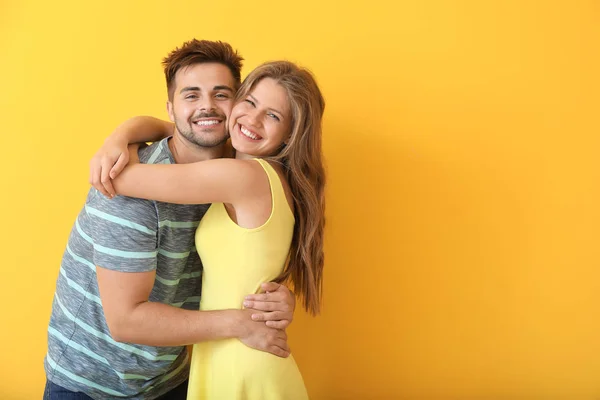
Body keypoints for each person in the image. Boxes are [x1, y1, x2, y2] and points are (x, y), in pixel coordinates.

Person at [44, 39, 296, 400]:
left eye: (221, 94)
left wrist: (277, 298)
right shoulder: (130, 191)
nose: (207, 106)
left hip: (173, 377)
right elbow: (126, 320)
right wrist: (241, 323)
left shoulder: (238, 169)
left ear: (236, 104)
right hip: (93, 383)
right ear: (171, 108)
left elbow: (246, 256)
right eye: (191, 96)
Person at [92, 60, 326, 399]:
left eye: (273, 116)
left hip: (239, 357)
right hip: (230, 350)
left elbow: (117, 176)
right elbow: (182, 127)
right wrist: (125, 132)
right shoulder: (266, 175)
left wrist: (117, 143)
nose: (253, 119)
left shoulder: (242, 176)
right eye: (250, 102)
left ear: (292, 133)